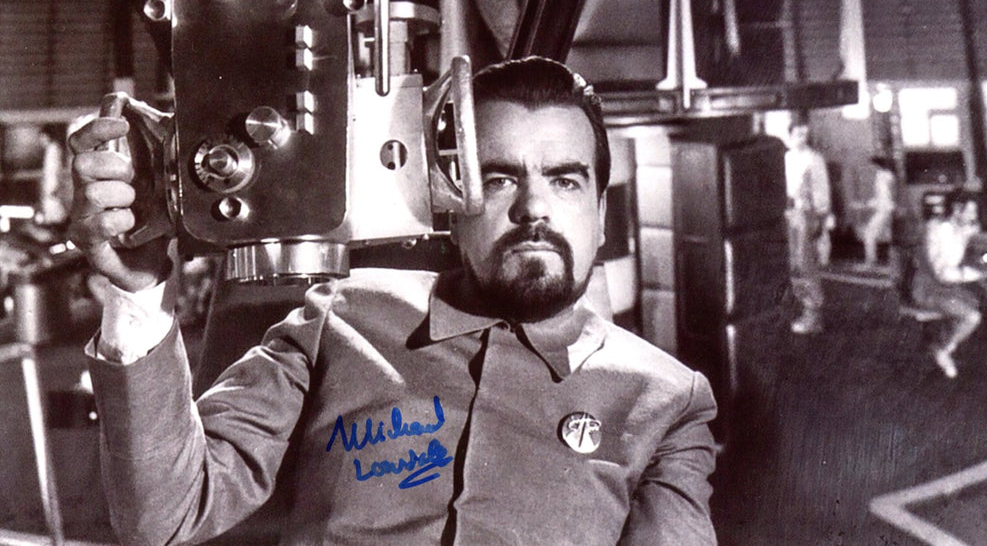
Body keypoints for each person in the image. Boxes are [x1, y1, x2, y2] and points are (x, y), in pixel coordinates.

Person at [69, 57, 718, 545]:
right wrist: (137, 287)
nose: (534, 208)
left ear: (601, 215)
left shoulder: (665, 400)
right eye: (499, 178)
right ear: (453, 206)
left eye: (565, 180)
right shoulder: (340, 320)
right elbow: (167, 515)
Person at [910, 190, 987, 379]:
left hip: (942, 287)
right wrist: (979, 274)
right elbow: (944, 273)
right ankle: (943, 350)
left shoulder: (956, 228)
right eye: (970, 212)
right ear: (956, 210)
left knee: (977, 303)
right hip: (929, 289)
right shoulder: (943, 231)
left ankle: (941, 341)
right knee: (972, 317)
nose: (973, 217)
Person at [784, 118, 832, 334]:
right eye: (798, 134)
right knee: (793, 263)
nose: (802, 138)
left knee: (806, 263)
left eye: (805, 134)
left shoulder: (814, 159)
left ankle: (813, 314)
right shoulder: (786, 158)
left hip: (807, 214)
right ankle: (804, 309)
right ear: (790, 135)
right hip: (788, 214)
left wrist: (821, 218)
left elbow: (822, 192)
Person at [859, 156, 896, 268]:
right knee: (888, 235)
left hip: (884, 210)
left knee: (869, 234)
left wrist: (866, 205)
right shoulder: (886, 175)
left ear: (876, 165)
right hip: (887, 209)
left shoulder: (882, 176)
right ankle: (890, 262)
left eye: (871, 166)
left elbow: (884, 198)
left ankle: (870, 261)